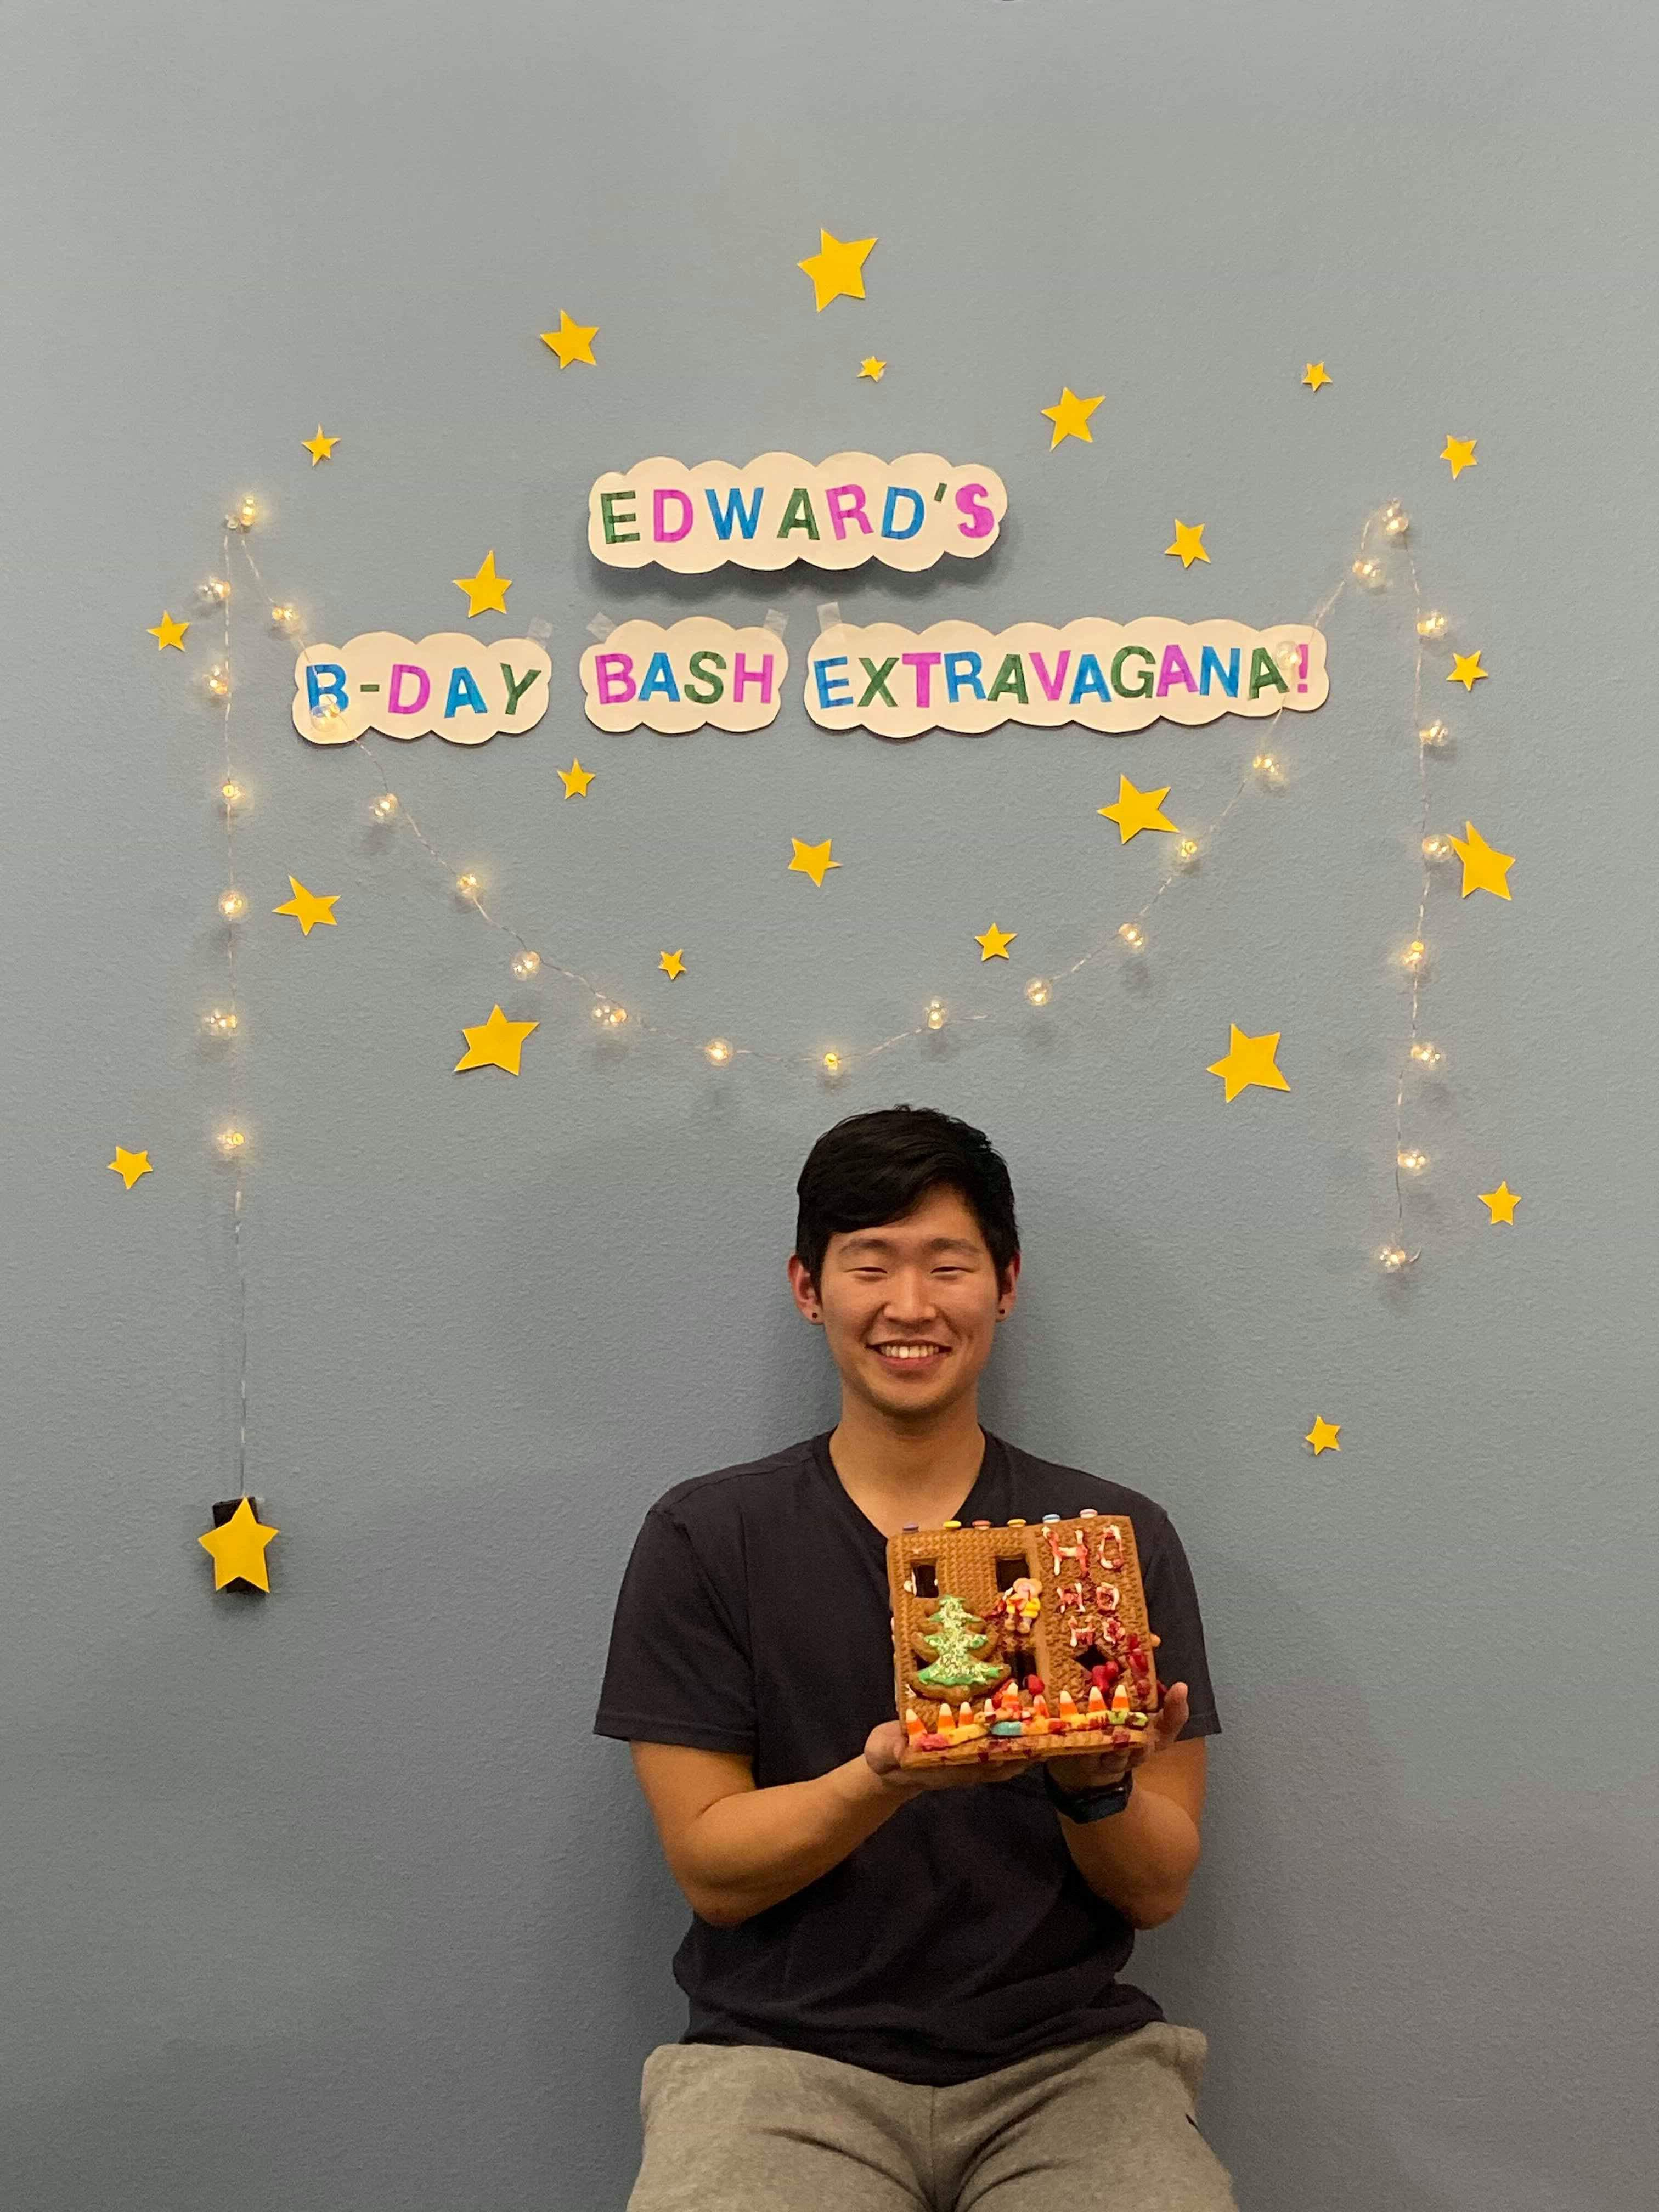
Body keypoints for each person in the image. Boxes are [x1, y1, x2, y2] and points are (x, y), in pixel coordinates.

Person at [595, 1106, 1237, 2210]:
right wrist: (885, 1777)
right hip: (779, 2060)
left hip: (1066, 2065)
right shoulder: (707, 1536)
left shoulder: (1109, 1542)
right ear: (809, 1289)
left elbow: (1159, 1887)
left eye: (949, 1264)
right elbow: (710, 1870)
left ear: (1006, 1283)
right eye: (870, 1264)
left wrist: (1096, 1788)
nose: (910, 1305)